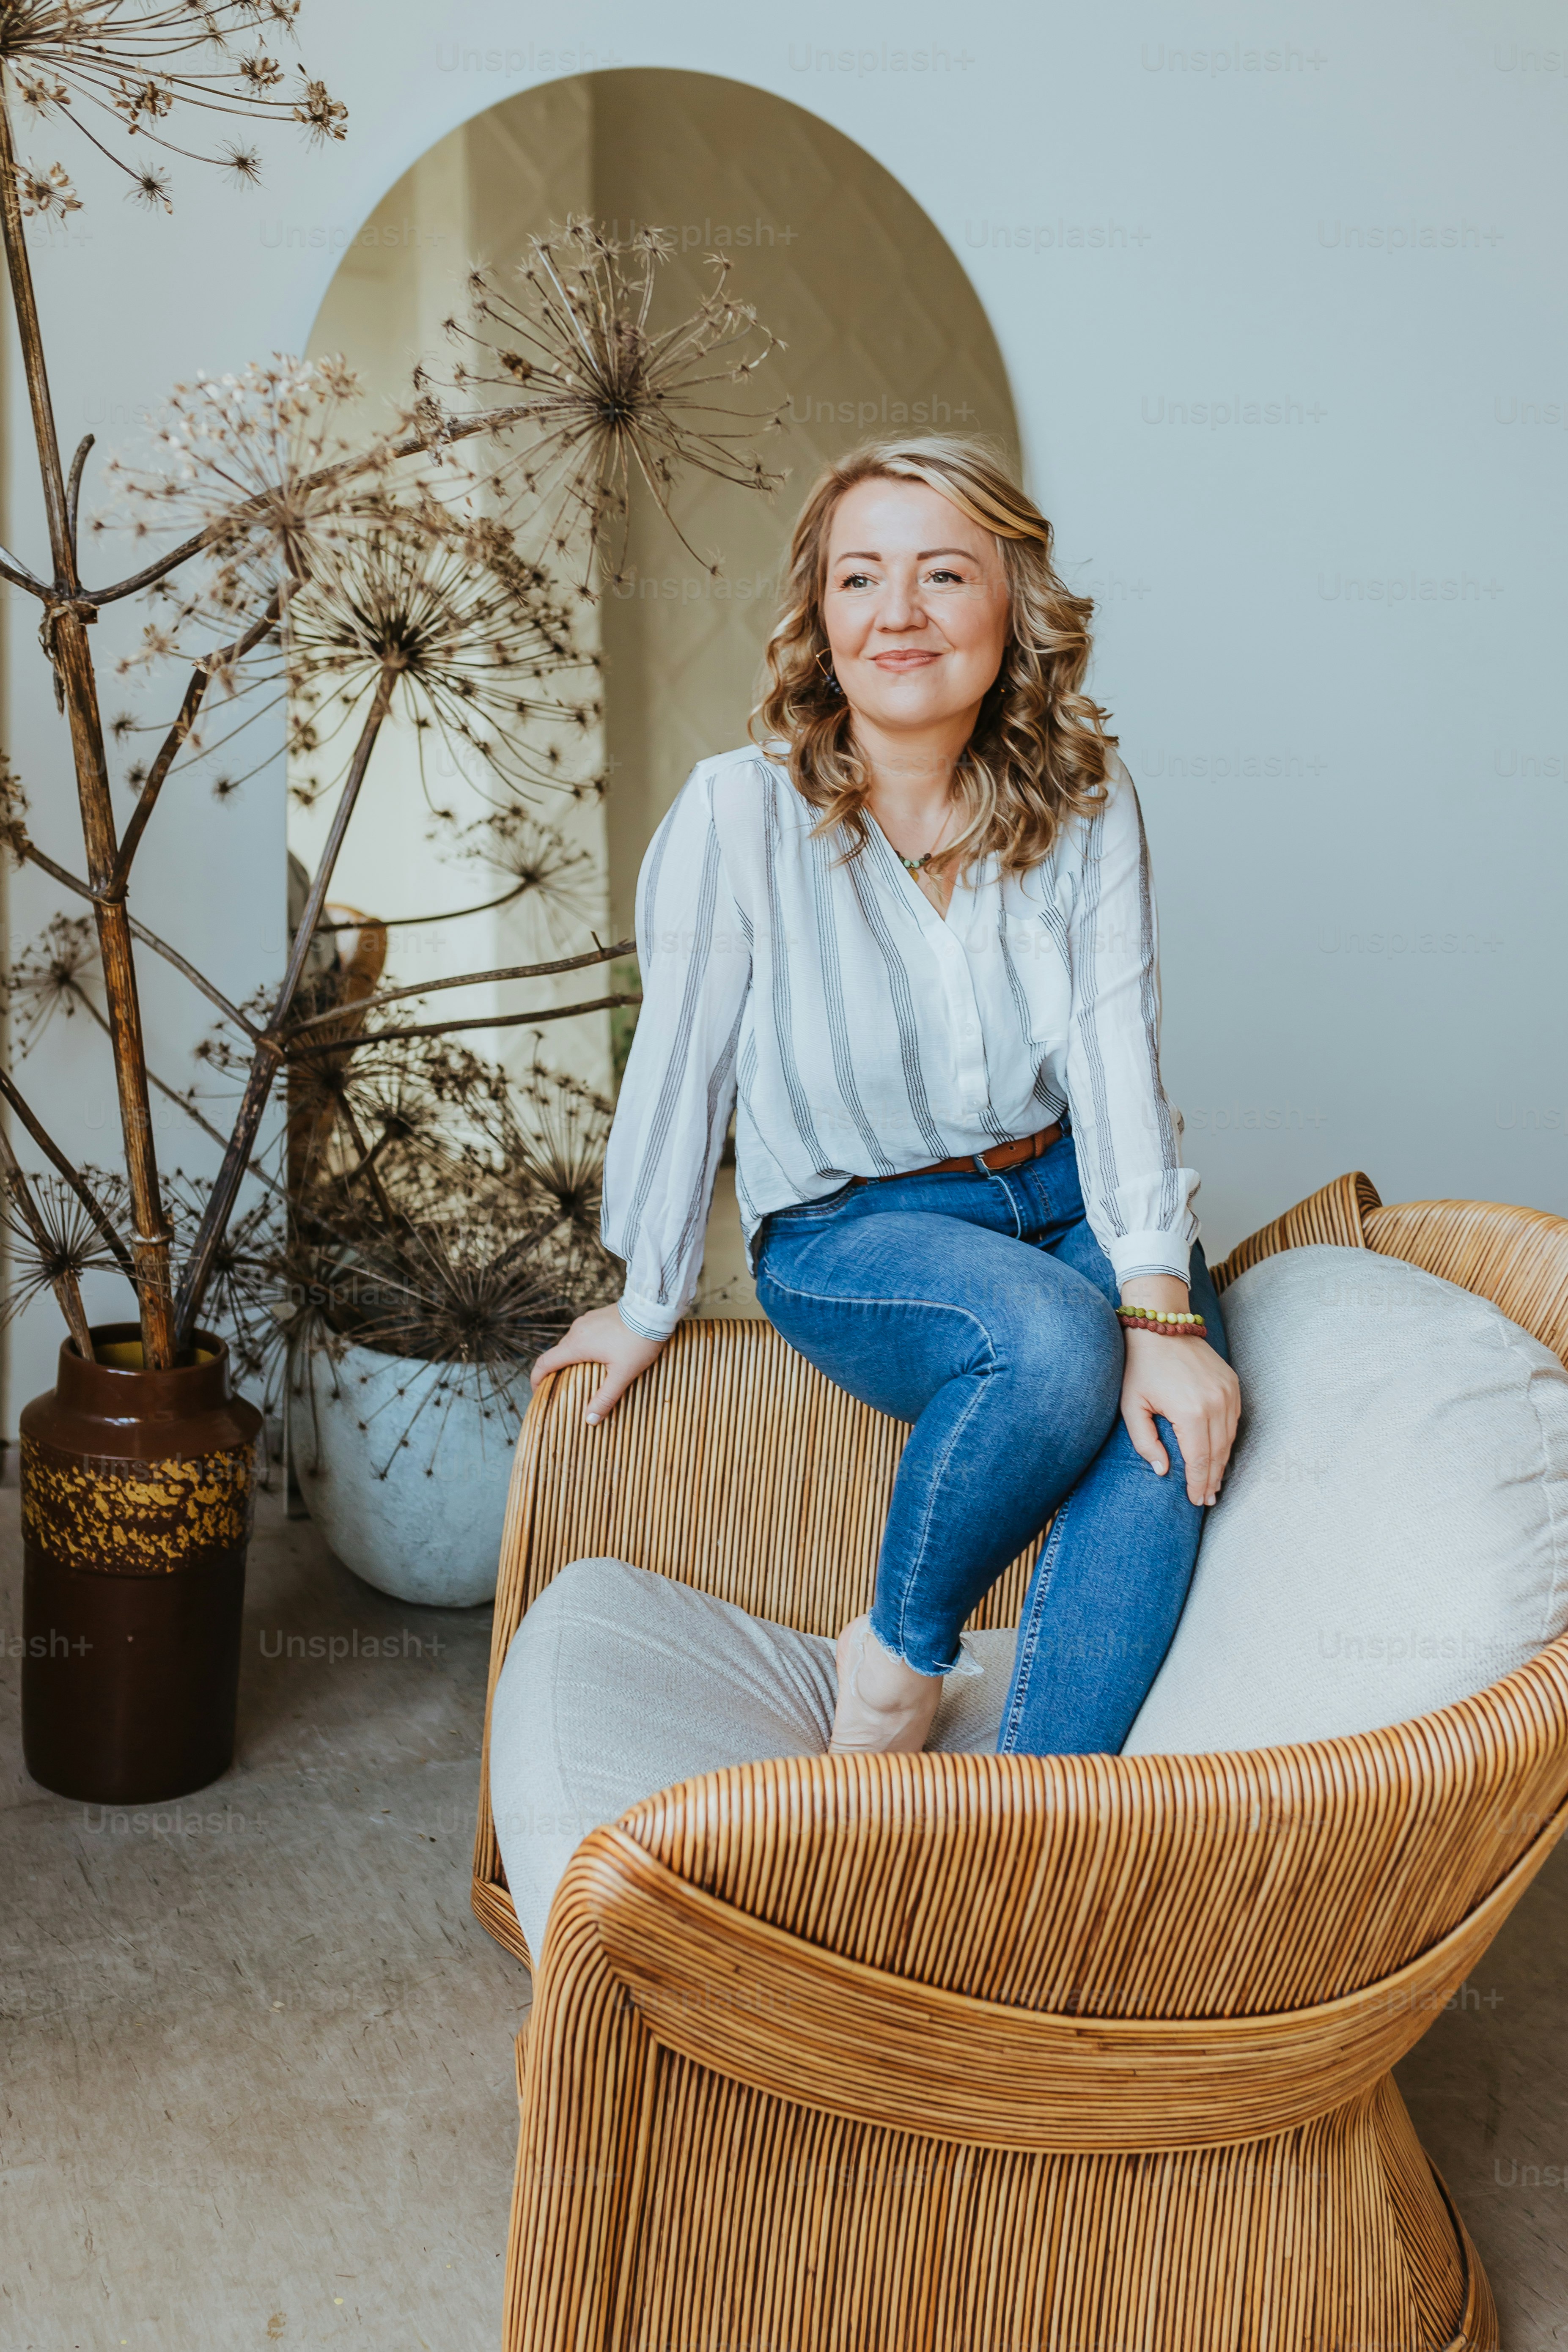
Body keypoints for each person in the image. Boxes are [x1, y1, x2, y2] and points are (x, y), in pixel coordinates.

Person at [531, 437, 1241, 1759]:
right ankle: (896, 1656)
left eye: (942, 574)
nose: (897, 613)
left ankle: (1027, 1825)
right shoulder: (736, 816)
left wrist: (1160, 1299)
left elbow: (1114, 1059)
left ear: (1009, 607)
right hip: (851, 1228)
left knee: (1159, 1432)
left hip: (1067, 1185)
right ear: (820, 618)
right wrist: (645, 1295)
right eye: (860, 578)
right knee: (1048, 1343)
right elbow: (681, 1060)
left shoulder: (1087, 805)